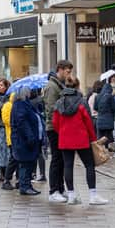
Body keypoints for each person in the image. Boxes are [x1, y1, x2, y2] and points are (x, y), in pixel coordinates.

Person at [53, 77, 109, 205]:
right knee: (89, 165)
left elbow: (55, 123)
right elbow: (88, 122)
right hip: (81, 138)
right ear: (77, 86)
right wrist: (93, 138)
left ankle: (71, 195)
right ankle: (93, 195)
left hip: (65, 139)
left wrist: (62, 132)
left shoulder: (59, 102)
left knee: (68, 166)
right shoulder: (81, 102)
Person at [43, 60, 73, 202]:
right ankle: (53, 190)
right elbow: (51, 109)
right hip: (54, 128)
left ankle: (60, 188)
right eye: (67, 71)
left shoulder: (59, 85)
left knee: (61, 159)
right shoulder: (52, 86)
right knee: (56, 158)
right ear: (60, 70)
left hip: (60, 127)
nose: (69, 74)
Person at [10, 86, 44, 196]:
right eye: (28, 90)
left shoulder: (25, 103)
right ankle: (24, 186)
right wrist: (30, 136)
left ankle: (27, 184)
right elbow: (22, 122)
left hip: (28, 139)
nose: (30, 92)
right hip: (23, 140)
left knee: (29, 163)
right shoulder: (20, 104)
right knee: (25, 163)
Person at [1, 92, 18, 190]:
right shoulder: (8, 105)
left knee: (17, 159)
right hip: (12, 136)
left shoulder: (17, 105)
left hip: (17, 136)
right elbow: (6, 120)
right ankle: (7, 180)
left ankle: (17, 180)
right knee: (13, 158)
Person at [95, 75, 115, 144]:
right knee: (108, 137)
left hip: (99, 120)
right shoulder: (110, 96)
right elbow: (114, 108)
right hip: (109, 120)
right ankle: (107, 150)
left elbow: (95, 107)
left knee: (100, 138)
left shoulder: (97, 96)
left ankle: (101, 152)